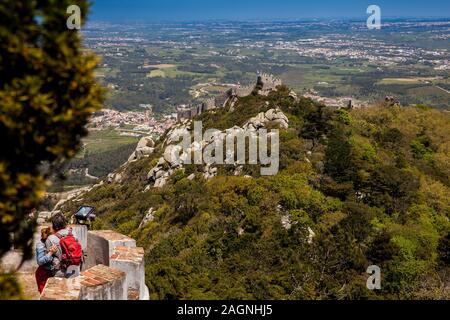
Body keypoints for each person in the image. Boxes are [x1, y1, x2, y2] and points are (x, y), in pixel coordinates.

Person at [46, 213, 82, 278]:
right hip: (75, 269)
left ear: (54, 225)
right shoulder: (73, 233)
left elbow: (47, 259)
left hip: (60, 272)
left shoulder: (50, 238)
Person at [35, 227, 58, 294]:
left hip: (51, 272)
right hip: (43, 274)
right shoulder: (40, 245)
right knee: (44, 294)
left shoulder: (51, 243)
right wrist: (50, 253)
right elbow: (40, 261)